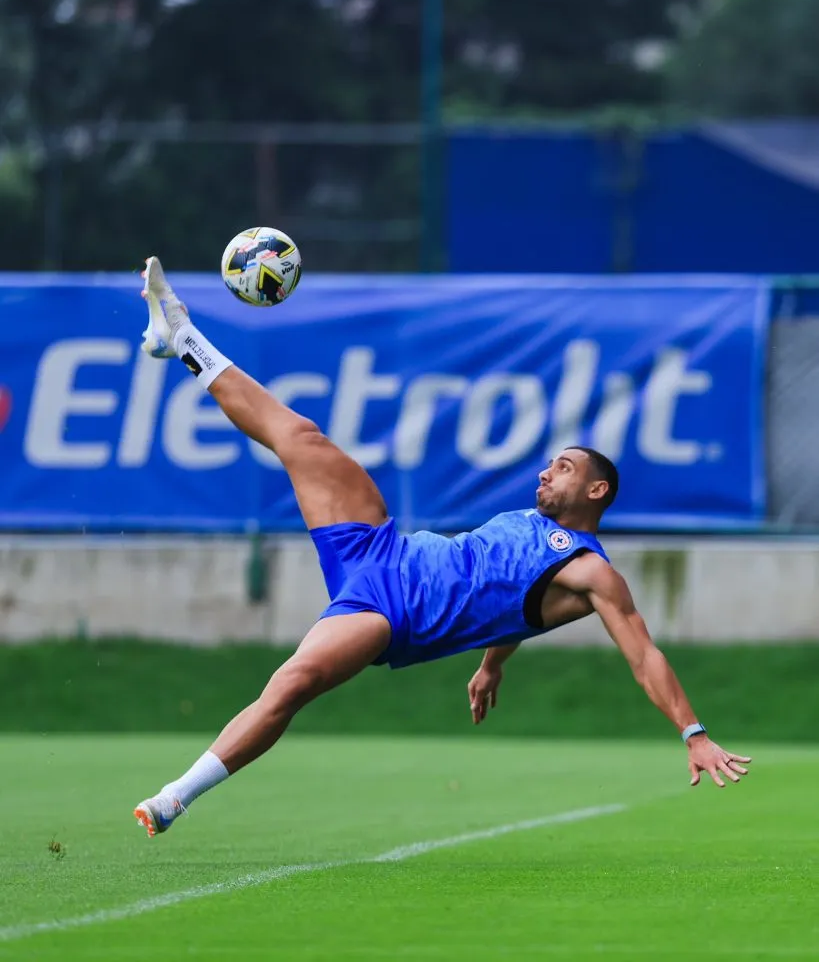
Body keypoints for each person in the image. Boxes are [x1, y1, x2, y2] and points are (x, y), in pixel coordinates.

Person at [133, 257, 752, 837]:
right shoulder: (536, 529)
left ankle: (174, 796)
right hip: (378, 548)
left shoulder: (591, 573)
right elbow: (517, 602)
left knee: (290, 685)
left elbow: (642, 655)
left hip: (387, 616)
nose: (544, 473)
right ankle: (181, 335)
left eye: (561, 468)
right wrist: (492, 665)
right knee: (301, 438)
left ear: (597, 488)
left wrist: (693, 732)